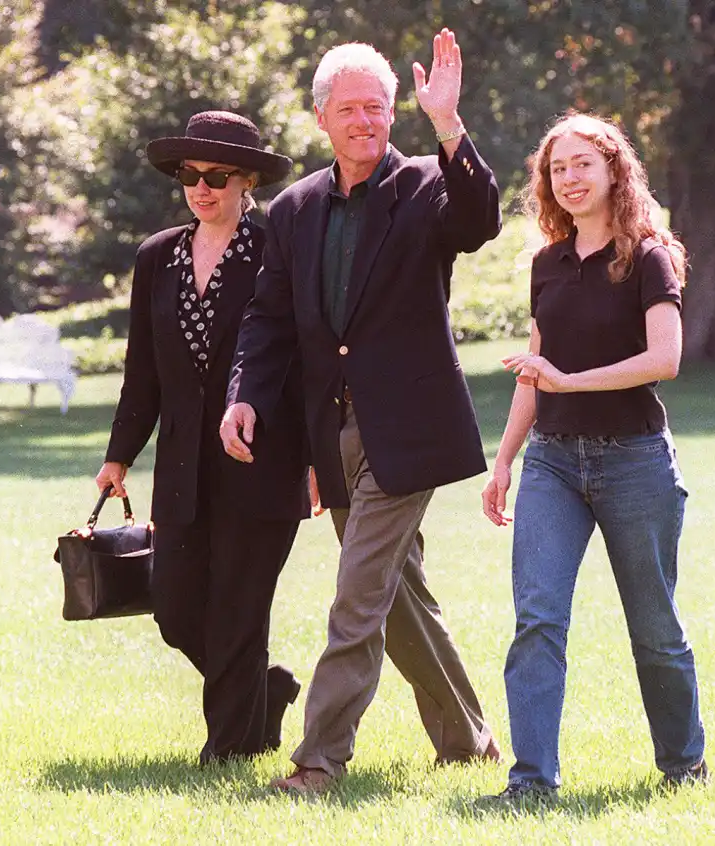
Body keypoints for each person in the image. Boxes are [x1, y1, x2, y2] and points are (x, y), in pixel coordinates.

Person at [220, 30, 501, 794]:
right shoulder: (294, 209)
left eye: (378, 108)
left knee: (357, 592)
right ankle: (469, 741)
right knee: (396, 594)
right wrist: (245, 395)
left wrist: (448, 124)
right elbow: (269, 320)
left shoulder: (426, 187)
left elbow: (479, 220)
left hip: (409, 432)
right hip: (332, 434)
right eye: (350, 109)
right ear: (321, 119)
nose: (366, 121)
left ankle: (318, 762)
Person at [480, 112, 707, 804]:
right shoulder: (548, 264)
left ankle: (683, 766)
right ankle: (531, 784)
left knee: (654, 627)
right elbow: (534, 368)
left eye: (583, 164)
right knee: (538, 619)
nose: (570, 178)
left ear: (614, 171)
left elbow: (663, 359)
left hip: (634, 461)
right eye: (558, 168)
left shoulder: (647, 257)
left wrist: (572, 382)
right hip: (553, 462)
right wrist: (504, 459)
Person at [96, 110, 309, 765]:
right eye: (189, 174)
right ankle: (262, 692)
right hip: (183, 468)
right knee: (176, 607)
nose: (201, 187)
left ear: (247, 181)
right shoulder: (156, 257)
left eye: (217, 176)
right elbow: (143, 369)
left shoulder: (279, 246)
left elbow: (304, 360)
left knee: (241, 607)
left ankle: (229, 747)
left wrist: (315, 459)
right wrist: (118, 456)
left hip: (262, 462)